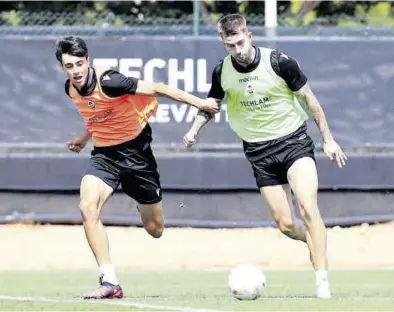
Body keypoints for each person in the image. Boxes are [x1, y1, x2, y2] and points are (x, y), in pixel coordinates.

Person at [183, 14, 347, 299]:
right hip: (259, 152)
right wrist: (194, 130)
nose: (238, 50)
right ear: (223, 43)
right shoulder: (222, 71)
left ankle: (322, 281)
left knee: (308, 208)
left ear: (250, 36)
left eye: (240, 43)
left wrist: (328, 140)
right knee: (285, 225)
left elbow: (310, 99)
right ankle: (314, 240)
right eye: (230, 45)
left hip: (294, 143)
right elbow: (212, 106)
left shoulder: (280, 62)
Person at [55, 35, 218, 299]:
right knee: (87, 207)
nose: (75, 71)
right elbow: (96, 114)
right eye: (69, 66)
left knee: (155, 229)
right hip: (105, 156)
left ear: (88, 60)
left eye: (78, 64)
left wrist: (200, 103)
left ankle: (138, 196)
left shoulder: (110, 81)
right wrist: (84, 138)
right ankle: (110, 281)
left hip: (137, 156)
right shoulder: (70, 89)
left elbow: (159, 88)